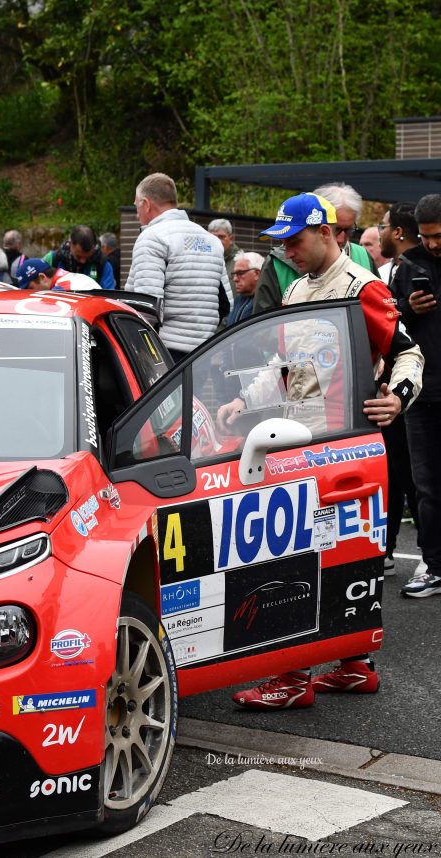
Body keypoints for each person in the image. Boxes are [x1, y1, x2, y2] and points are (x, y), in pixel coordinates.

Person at [217, 192, 423, 709]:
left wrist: (396, 400)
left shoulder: (363, 288)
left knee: (303, 557)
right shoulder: (295, 294)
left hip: (345, 444)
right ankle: (354, 666)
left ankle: (290, 679)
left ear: (328, 232)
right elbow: (288, 373)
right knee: (336, 554)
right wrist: (243, 398)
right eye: (282, 244)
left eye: (296, 240)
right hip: (300, 438)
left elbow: (408, 352)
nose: (288, 251)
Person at [390, 194, 441, 598]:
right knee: (426, 487)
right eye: (426, 237)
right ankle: (434, 565)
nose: (434, 243)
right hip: (423, 396)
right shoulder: (406, 268)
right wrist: (409, 307)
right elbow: (390, 325)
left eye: (439, 235)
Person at [125, 172, 229, 362]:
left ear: (146, 204)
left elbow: (146, 307)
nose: (137, 213)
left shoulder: (152, 237)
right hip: (205, 351)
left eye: (136, 205)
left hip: (165, 351)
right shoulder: (211, 241)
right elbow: (225, 302)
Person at [254, 182, 376, 316]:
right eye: (337, 229)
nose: (341, 239)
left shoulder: (365, 265)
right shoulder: (281, 270)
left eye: (348, 230)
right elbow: (264, 328)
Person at [378, 202, 421, 573]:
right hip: (393, 391)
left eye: (382, 225)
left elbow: (399, 326)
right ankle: (388, 551)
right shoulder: (389, 270)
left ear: (397, 232)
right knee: (397, 474)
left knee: (417, 478)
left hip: (417, 389)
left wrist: (406, 306)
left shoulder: (416, 269)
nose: (377, 232)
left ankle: (428, 556)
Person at [44, 225, 115, 289]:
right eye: (79, 256)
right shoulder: (52, 259)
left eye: (87, 256)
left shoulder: (103, 264)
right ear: (70, 243)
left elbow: (109, 296)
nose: (83, 261)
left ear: (94, 246)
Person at [224, 252, 262, 327]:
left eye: (240, 273)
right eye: (234, 274)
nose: (235, 279)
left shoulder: (266, 303)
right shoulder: (237, 301)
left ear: (257, 273)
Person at [17, 257, 98, 292]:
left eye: (30, 288)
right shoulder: (72, 278)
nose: (30, 294)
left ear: (42, 277)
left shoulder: (61, 289)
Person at [208, 219, 240, 299]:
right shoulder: (203, 259)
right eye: (213, 237)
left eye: (221, 237)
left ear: (231, 239)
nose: (217, 241)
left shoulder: (240, 261)